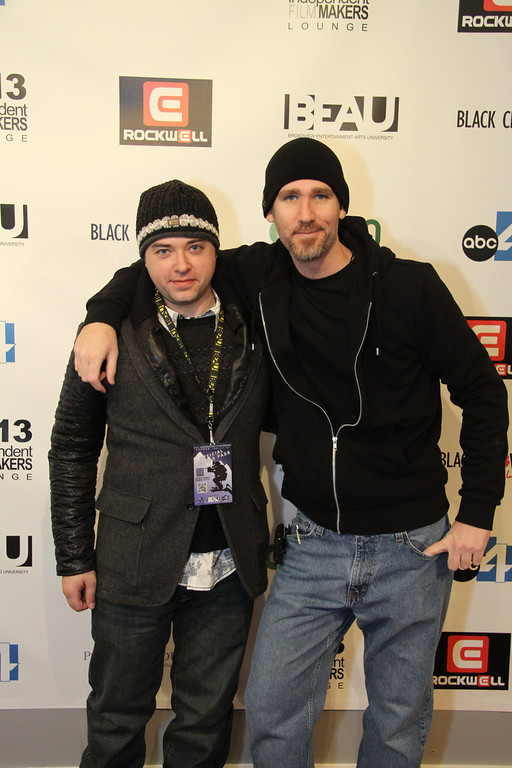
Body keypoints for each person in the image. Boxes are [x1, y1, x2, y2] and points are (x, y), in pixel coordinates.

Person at [72, 139, 508, 768]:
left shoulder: (410, 287)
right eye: (290, 198)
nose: (306, 213)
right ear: (270, 213)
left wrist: (477, 514)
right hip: (312, 547)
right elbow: (161, 261)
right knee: (273, 719)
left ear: (341, 206)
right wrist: (100, 316)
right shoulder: (257, 273)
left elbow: (485, 396)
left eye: (320, 195)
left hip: (413, 548)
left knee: (397, 722)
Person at [49, 179, 270, 768]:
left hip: (228, 561)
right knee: (117, 716)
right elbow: (71, 446)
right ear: (141, 257)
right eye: (162, 250)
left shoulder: (256, 323)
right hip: (133, 558)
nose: (180, 265)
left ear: (216, 250)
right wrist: (74, 555)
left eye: (195, 247)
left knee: (205, 720)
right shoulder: (107, 338)